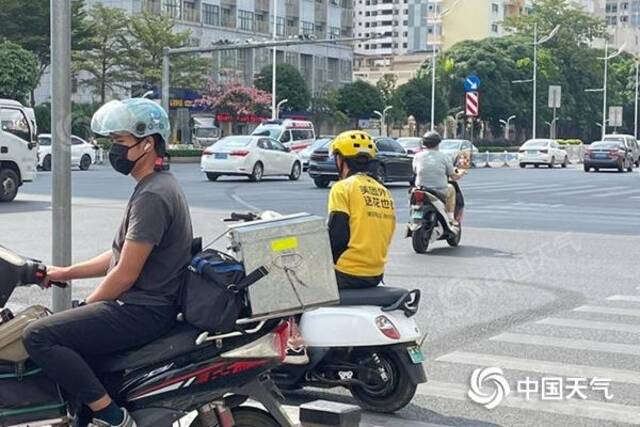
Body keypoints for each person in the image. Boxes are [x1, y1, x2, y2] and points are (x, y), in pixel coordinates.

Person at [23, 98, 193, 427]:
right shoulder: (155, 187)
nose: (113, 150)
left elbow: (125, 274)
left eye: (119, 142)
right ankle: (86, 416)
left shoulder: (153, 196)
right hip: (145, 306)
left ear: (147, 144)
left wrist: (86, 304)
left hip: (142, 309)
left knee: (38, 336)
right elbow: (119, 256)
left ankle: (112, 417)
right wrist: (64, 272)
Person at [328, 130, 396, 289]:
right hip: (375, 273)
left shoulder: (342, 188)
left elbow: (337, 234)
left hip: (347, 272)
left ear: (340, 159)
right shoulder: (384, 191)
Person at [412, 131, 463, 223]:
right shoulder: (444, 157)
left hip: (420, 189)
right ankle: (450, 217)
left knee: (413, 202)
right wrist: (461, 173)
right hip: (440, 191)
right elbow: (454, 177)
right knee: (451, 188)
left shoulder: (417, 156)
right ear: (438, 143)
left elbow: (415, 170)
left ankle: (414, 217)